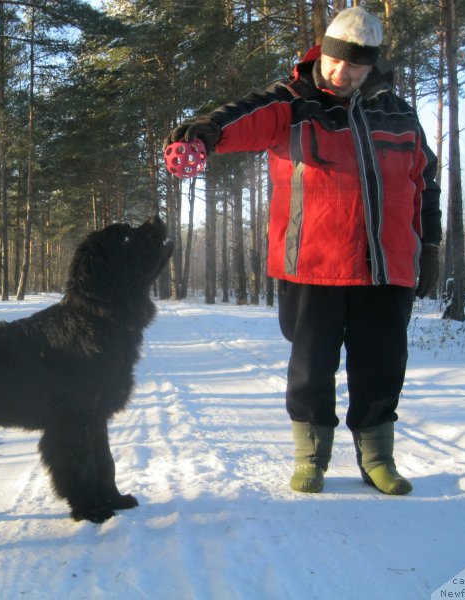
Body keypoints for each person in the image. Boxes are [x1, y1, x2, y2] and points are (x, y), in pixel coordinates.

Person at [165, 6, 442, 495]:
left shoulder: (398, 112)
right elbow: (242, 118)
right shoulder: (293, 101)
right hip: (314, 265)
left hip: (388, 266)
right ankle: (311, 457)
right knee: (312, 368)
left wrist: (432, 247)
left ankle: (378, 458)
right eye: (336, 62)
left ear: (371, 65)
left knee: (381, 365)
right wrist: (206, 132)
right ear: (325, 54)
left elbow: (426, 183)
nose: (342, 73)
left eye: (355, 66)